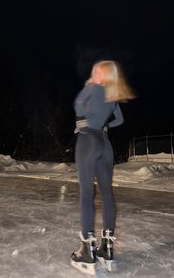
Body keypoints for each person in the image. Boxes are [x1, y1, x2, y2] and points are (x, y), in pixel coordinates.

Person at [71, 60, 135, 275]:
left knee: (87, 193)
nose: (95, 76)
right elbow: (119, 120)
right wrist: (104, 125)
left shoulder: (92, 88)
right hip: (105, 144)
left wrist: (83, 120)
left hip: (88, 140)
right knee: (107, 195)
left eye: (98, 73)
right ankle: (107, 249)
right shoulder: (112, 96)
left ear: (104, 75)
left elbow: (78, 103)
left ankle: (87, 251)